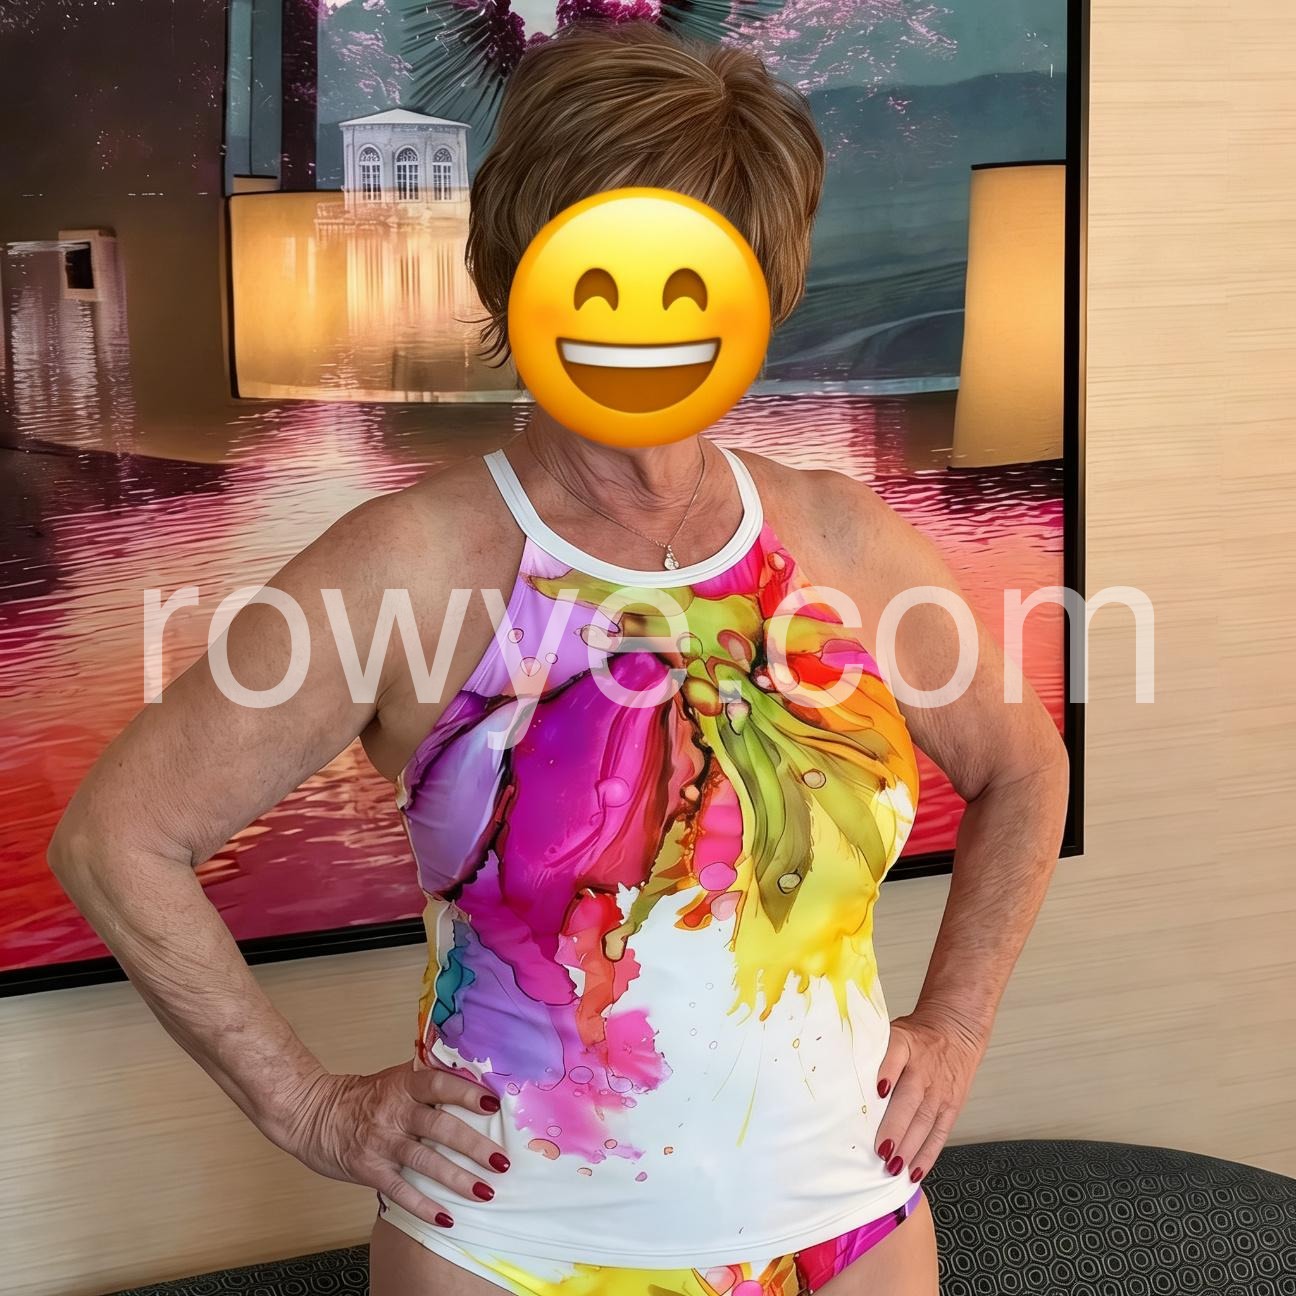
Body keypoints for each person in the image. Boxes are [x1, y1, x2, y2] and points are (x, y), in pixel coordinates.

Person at [48, 20, 1070, 1296]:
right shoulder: (408, 563)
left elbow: (1025, 768)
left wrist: (957, 1024)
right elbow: (118, 840)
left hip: (849, 1226)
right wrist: (307, 1108)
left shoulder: (841, 535)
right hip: (513, 1251)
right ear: (515, 271)